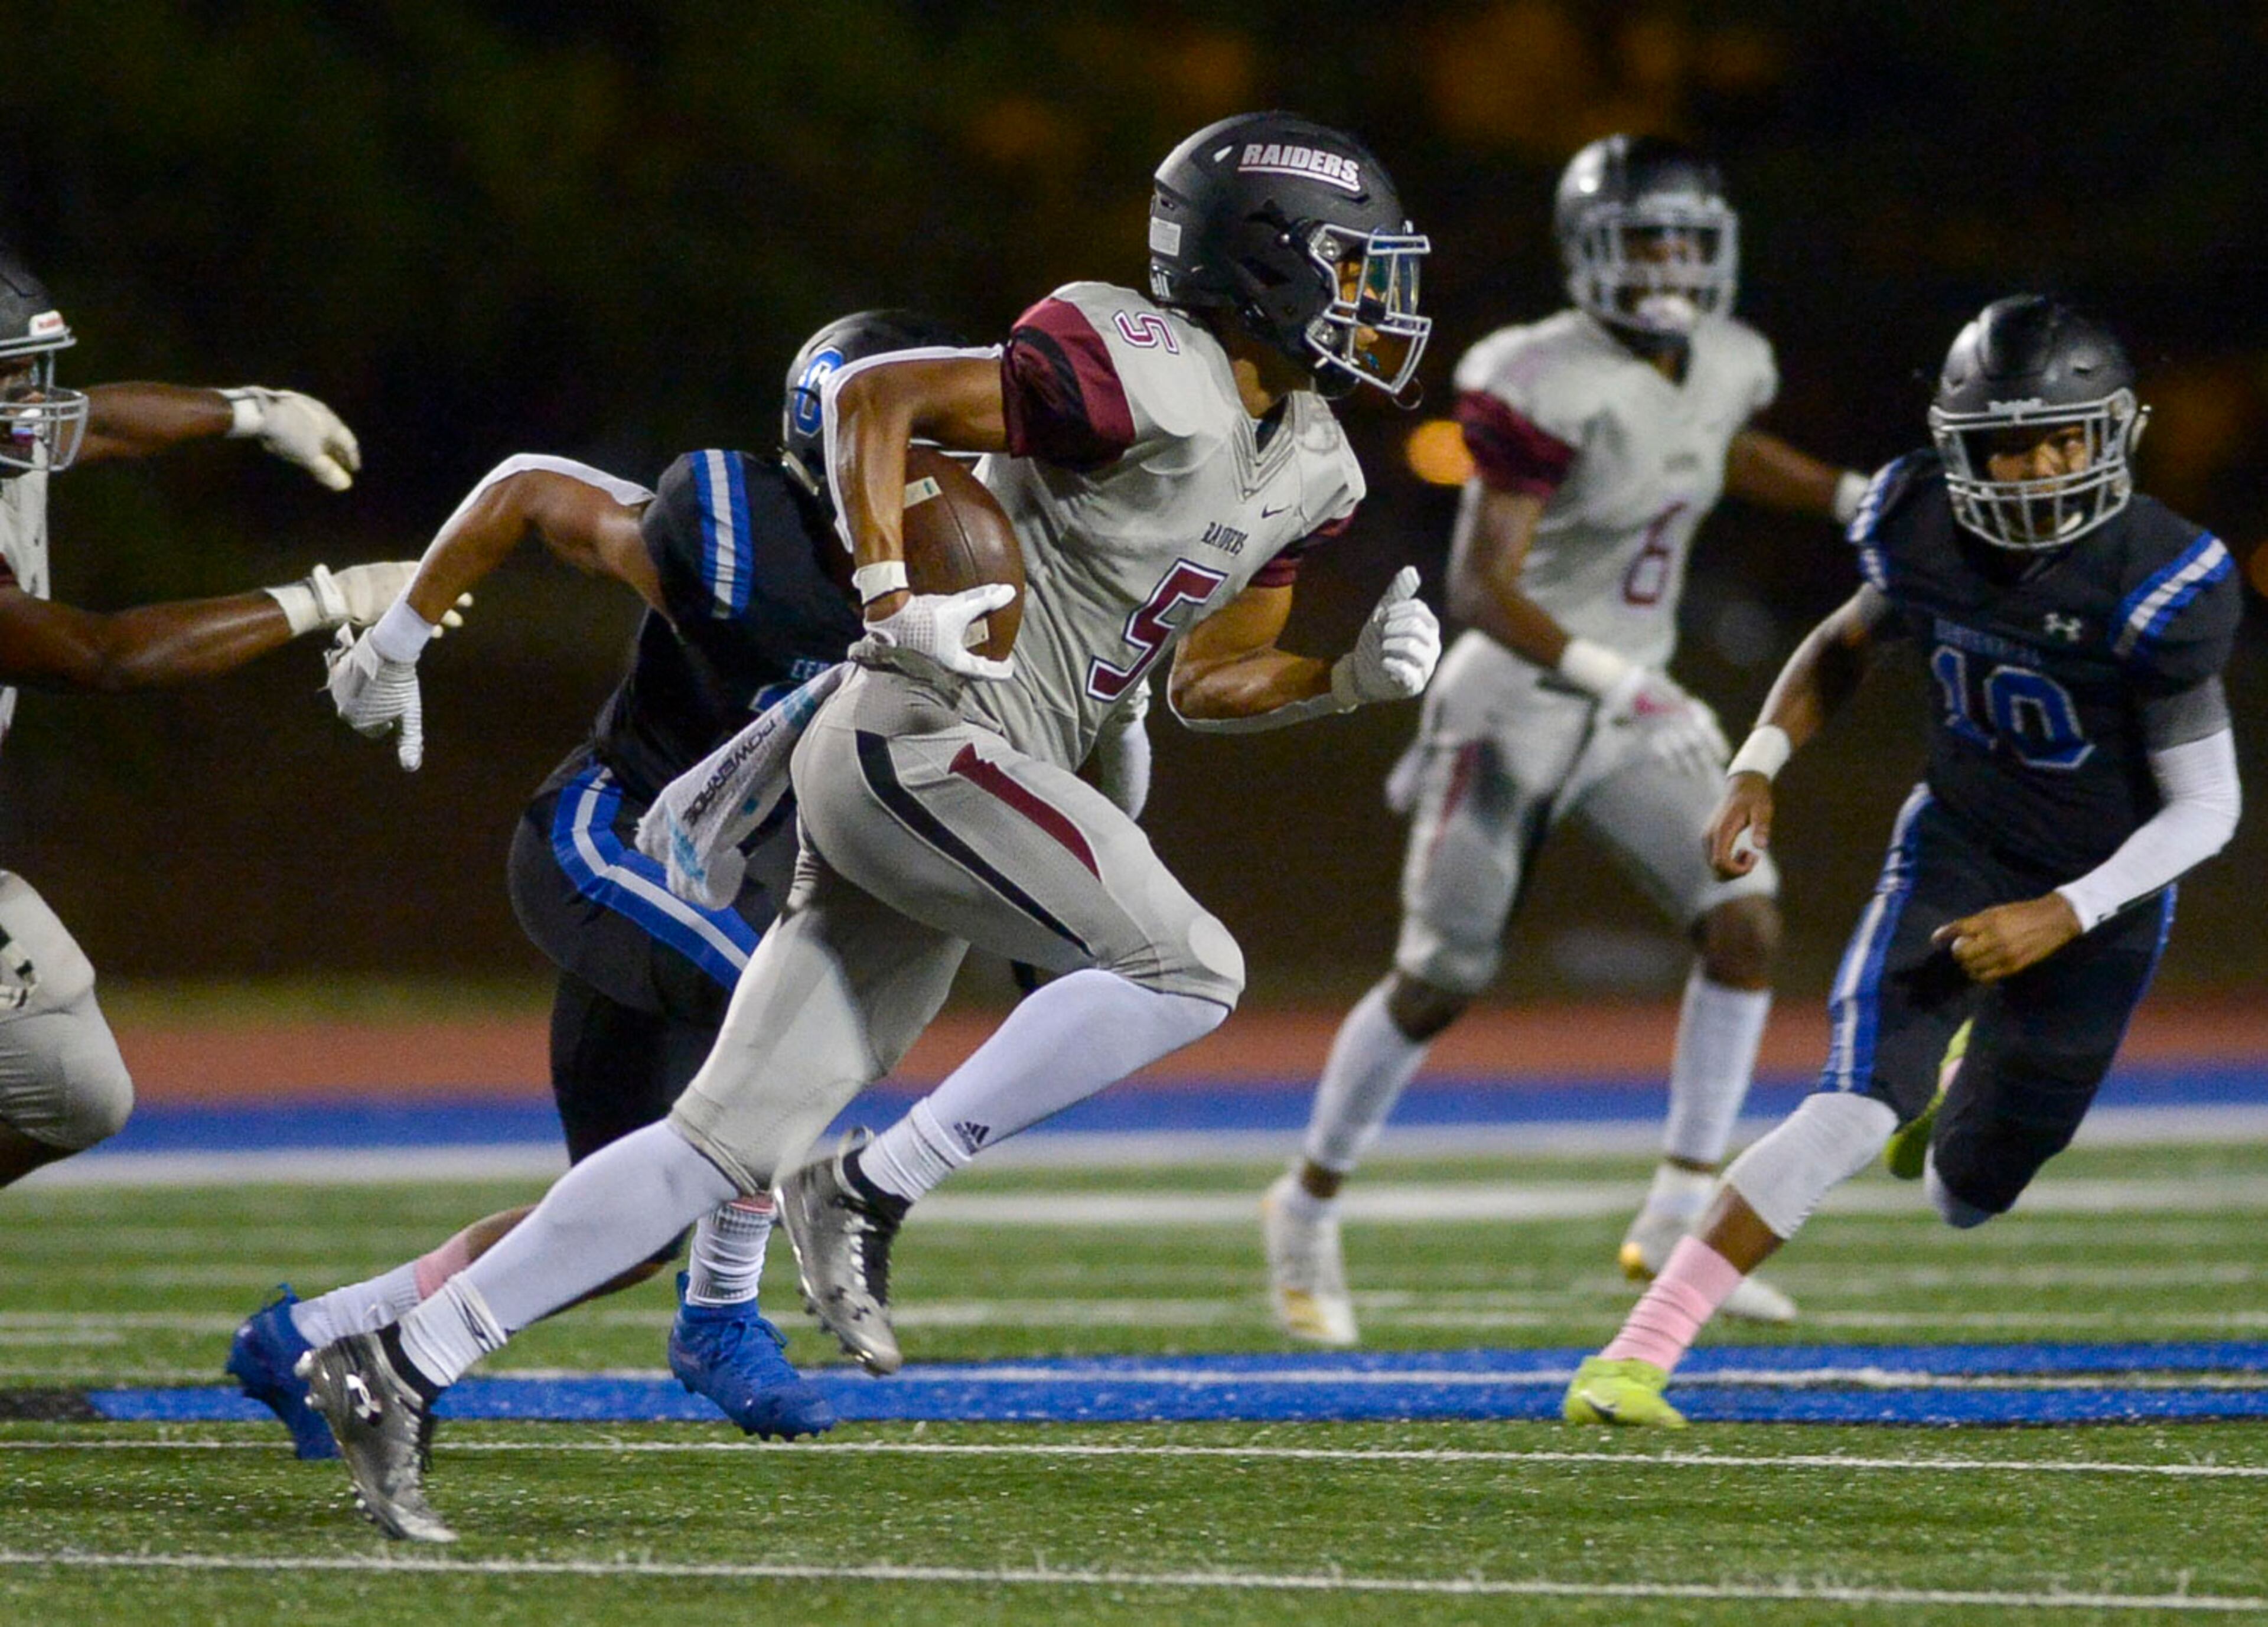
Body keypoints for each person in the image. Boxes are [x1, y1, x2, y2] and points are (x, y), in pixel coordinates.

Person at [295, 109, 1441, 1543]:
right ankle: (874, 1184)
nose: (1379, 299)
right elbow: (874, 396)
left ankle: (397, 1354)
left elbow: (1206, 678)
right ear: (1262, 261)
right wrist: (893, 589)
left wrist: (1339, 684)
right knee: (1191, 968)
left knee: (713, 1147)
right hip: (925, 735)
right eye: (1350, 263)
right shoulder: (1145, 364)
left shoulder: (1314, 462)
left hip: (967, 773)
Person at [227, 312, 1009, 1456]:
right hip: (609, 840)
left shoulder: (967, 577)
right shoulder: (747, 547)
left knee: (625, 1217)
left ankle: (309, 1337)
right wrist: (395, 643)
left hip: (719, 881)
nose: (941, 475)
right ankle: (721, 1314)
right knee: (783, 1022)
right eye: (914, 442)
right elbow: (529, 489)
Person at [1563, 295, 2242, 1427]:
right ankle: (1634, 1359)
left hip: (2105, 897)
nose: (2032, 472)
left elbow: (2206, 808)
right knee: (1855, 1105)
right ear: (1957, 450)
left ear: (2111, 434)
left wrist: (2064, 916)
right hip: (1961, 852)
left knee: (1967, 1197)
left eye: (2059, 441)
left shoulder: (2159, 581)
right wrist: (1757, 762)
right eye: (2006, 447)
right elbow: (1844, 642)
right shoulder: (1924, 526)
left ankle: (1963, 1078)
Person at [1263, 135, 1873, 1344]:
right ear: (1590, 249)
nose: (1663, 262)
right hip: (1517, 695)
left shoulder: (1729, 360)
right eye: (1640, 237)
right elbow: (1480, 589)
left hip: (1633, 696)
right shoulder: (1538, 374)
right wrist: (1619, 681)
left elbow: (1706, 447)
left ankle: (1681, 1216)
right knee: (1442, 980)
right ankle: (1305, 1203)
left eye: (1681, 240)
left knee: (1744, 922)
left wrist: (1851, 495)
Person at [0, 244, 429, 1191]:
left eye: (27, 373)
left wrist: (253, 410)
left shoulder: (12, 435)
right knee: (60, 1038)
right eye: (8, 380)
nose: (32, 401)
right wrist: (327, 598)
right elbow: (102, 656)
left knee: (76, 1088)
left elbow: (100, 422)